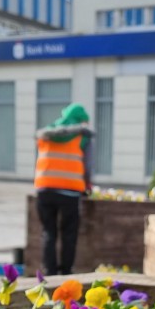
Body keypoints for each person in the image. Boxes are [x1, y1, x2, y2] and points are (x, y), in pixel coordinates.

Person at [34, 103, 94, 275]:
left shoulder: (45, 135)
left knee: (48, 232)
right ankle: (66, 272)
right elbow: (87, 165)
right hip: (70, 191)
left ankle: (49, 272)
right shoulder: (82, 137)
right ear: (81, 121)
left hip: (44, 190)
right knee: (69, 233)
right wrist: (87, 185)